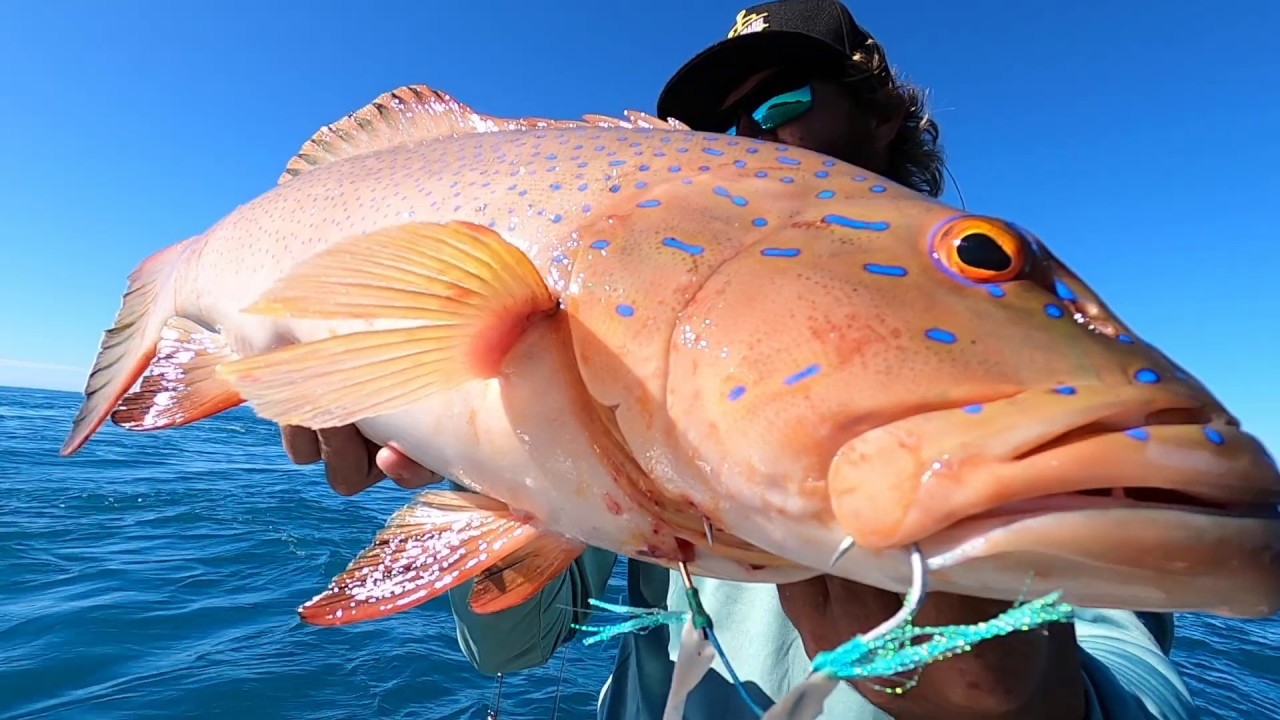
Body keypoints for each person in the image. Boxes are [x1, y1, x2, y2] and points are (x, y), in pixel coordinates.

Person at [279, 2, 1200, 717]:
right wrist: (488, 463)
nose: (749, 144)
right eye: (719, 134)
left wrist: (1031, 706)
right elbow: (512, 650)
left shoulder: (1010, 349)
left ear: (883, 124)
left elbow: (1141, 659)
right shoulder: (652, 347)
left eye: (782, 106)